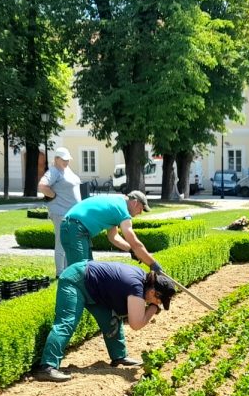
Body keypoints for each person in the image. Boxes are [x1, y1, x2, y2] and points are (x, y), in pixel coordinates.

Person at [33, 262, 175, 382]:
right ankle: (47, 367)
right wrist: (152, 308)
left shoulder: (143, 281)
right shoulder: (136, 287)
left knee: (110, 320)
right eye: (160, 301)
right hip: (75, 280)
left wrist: (152, 306)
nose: (158, 304)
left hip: (94, 289)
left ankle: (119, 357)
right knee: (67, 321)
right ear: (153, 292)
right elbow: (136, 324)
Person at [59, 190, 161, 272]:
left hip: (75, 228)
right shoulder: (122, 210)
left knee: (88, 270)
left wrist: (131, 250)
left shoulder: (117, 205)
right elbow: (134, 242)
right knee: (80, 272)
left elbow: (113, 237)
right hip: (74, 227)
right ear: (135, 203)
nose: (141, 212)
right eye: (141, 208)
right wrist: (153, 264)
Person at [38, 146, 82, 276]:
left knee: (69, 242)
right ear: (56, 159)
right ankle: (60, 273)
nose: (66, 162)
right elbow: (42, 186)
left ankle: (67, 270)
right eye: (64, 159)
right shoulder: (54, 171)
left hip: (70, 212)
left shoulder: (66, 169)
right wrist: (53, 195)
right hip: (60, 212)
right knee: (61, 243)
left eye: (68, 159)